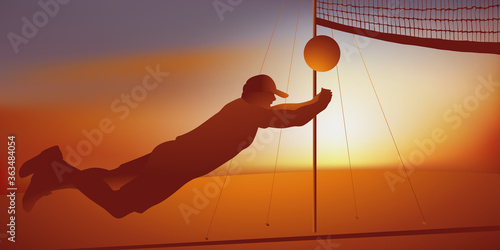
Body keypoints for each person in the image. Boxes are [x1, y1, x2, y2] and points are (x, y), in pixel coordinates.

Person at [20, 74, 332, 218]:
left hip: (168, 155)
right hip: (172, 167)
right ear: (260, 96)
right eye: (271, 96)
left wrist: (313, 101)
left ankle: (53, 168)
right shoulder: (249, 114)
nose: (273, 101)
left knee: (111, 177)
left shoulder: (243, 108)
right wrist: (319, 105)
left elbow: (286, 113)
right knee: (119, 207)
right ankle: (53, 167)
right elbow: (290, 119)